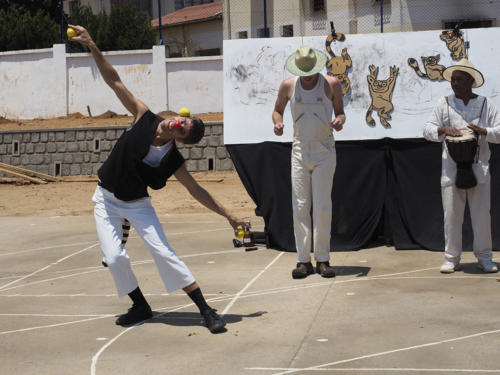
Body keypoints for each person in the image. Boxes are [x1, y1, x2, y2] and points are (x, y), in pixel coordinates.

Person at [68, 25, 249, 333]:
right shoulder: (143, 115)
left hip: (138, 204)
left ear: (181, 138)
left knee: (164, 252)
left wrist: (230, 216)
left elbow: (197, 191)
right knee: (113, 258)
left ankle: (206, 310)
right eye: (182, 119)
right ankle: (140, 305)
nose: (177, 123)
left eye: (182, 128)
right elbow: (114, 80)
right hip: (106, 197)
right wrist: (91, 44)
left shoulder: (172, 159)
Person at [272, 45, 345, 279]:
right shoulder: (288, 85)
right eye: (304, 72)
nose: (309, 76)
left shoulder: (331, 84)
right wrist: (277, 123)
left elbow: (341, 113)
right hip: (300, 149)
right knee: (300, 206)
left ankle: (322, 258)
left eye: (311, 71)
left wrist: (339, 121)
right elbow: (277, 111)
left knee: (323, 205)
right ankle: (303, 260)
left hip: (324, 149)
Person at [423, 58, 500, 274]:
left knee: (482, 216)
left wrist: (484, 131)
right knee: (451, 216)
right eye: (452, 79)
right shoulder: (444, 103)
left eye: (459, 79)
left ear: (470, 81)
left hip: (479, 169)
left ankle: (484, 257)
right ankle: (451, 258)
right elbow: (427, 129)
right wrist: (444, 129)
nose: (454, 83)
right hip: (451, 170)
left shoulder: (486, 104)